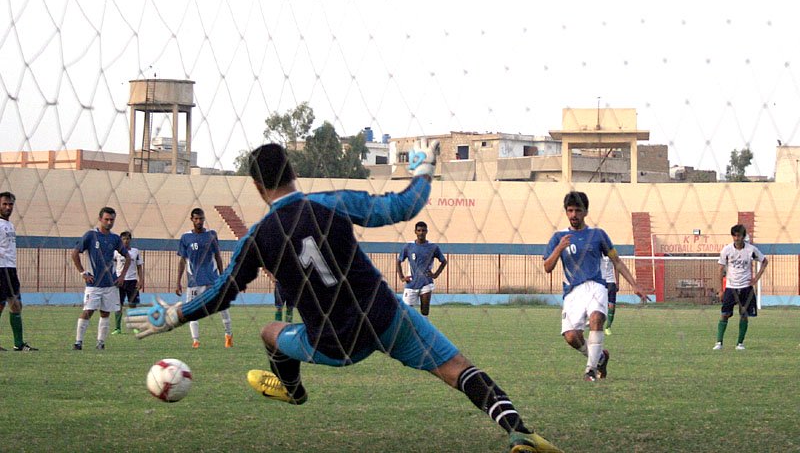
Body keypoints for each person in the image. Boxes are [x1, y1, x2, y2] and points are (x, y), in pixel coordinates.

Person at [129, 142, 561, 453]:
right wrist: (425, 171)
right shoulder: (331, 203)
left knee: (269, 332)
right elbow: (402, 208)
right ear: (293, 170)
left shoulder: (259, 238)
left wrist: (173, 316)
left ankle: (293, 391)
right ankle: (518, 432)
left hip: (332, 343)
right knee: (456, 368)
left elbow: (222, 293)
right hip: (386, 318)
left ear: (257, 186)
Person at [544, 191, 648, 382]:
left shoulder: (598, 235)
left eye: (578, 210)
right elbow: (547, 267)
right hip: (573, 292)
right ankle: (600, 357)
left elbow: (616, 261)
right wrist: (559, 248)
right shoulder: (558, 237)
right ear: (566, 212)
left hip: (596, 286)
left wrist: (634, 284)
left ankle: (590, 370)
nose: (574, 215)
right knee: (571, 337)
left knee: (597, 317)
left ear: (585, 212)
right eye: (570, 211)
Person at [71, 207, 130, 350]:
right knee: (88, 311)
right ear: (100, 219)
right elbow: (75, 253)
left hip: (110, 284)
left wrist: (122, 276)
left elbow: (127, 257)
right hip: (94, 284)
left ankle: (100, 343)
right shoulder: (91, 235)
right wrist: (83, 272)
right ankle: (78, 342)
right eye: (107, 219)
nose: (109, 222)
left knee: (105, 312)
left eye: (112, 220)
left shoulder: (115, 238)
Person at [176, 208, 233, 348]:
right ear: (191, 219)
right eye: (196, 219)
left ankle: (228, 336)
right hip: (194, 282)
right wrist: (178, 282)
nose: (199, 221)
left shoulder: (211, 235)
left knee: (223, 308)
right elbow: (182, 260)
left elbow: (218, 256)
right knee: (191, 311)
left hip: (213, 280)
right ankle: (195, 340)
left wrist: (223, 276)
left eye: (201, 218)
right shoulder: (185, 238)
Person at [712, 224, 768, 351]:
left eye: (739, 235)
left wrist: (756, 279)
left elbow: (764, 261)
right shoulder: (726, 250)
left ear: (743, 236)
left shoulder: (751, 250)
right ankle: (719, 342)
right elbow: (720, 269)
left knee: (744, 315)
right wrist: (720, 289)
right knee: (724, 314)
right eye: (735, 235)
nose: (737, 238)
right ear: (732, 236)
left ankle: (740, 343)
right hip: (731, 288)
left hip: (746, 288)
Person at [0, 192, 37, 351]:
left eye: (11, 204)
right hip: (0, 269)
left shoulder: (10, 225)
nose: (8, 207)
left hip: (11, 269)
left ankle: (19, 344)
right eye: (5, 204)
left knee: (16, 305)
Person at [396, 221, 448, 316]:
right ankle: (408, 329)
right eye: (419, 230)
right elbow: (399, 261)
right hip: (411, 283)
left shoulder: (433, 247)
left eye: (423, 230)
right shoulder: (408, 246)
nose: (421, 232)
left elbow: (444, 261)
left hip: (426, 283)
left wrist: (435, 275)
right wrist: (402, 277)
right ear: (415, 232)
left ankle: (423, 330)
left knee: (424, 311)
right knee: (406, 312)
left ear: (426, 231)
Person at [112, 231, 144, 335]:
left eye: (127, 239)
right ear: (120, 240)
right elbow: (112, 265)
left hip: (132, 281)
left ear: (130, 240)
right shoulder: (116, 252)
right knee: (118, 305)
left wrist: (141, 280)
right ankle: (117, 328)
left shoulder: (135, 252)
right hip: (119, 281)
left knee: (133, 305)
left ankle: (135, 327)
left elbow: (139, 267)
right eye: (123, 239)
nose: (125, 241)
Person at [601, 255, 619, 335]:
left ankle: (608, 327)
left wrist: (617, 282)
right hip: (600, 282)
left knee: (612, 306)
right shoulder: (597, 252)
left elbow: (617, 267)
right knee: (598, 304)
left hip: (611, 282)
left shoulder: (611, 253)